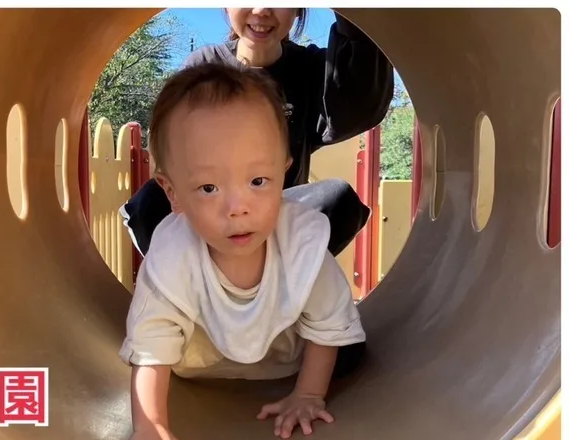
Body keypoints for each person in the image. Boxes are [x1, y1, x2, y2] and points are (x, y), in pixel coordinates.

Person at [119, 63, 365, 440]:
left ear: (283, 174)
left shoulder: (301, 243)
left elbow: (327, 324)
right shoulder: (171, 258)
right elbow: (150, 348)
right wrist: (151, 429)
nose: (238, 208)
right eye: (209, 188)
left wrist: (307, 394)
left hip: (286, 362)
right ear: (172, 192)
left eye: (257, 181)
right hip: (198, 366)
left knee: (353, 351)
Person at [121, 8, 393, 258]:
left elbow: (359, 102)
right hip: (209, 222)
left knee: (339, 199)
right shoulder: (203, 68)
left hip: (274, 230)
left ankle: (270, 288)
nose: (262, 10)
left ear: (299, 9)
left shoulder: (309, 72)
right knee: (150, 201)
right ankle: (203, 284)